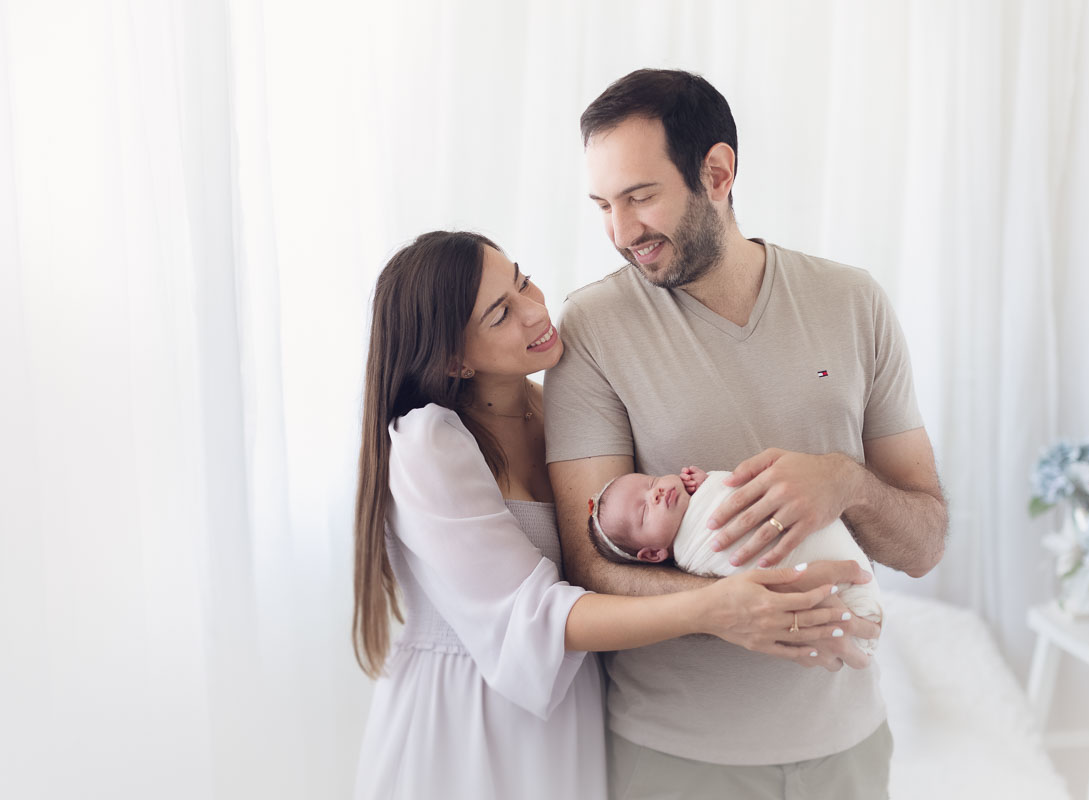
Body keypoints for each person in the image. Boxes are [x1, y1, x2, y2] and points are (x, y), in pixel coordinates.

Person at [351, 230, 873, 800]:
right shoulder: (431, 443)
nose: (534, 311)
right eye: (501, 314)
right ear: (453, 358)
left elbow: (645, 533)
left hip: (571, 715)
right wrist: (714, 609)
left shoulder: (560, 413)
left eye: (523, 280)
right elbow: (531, 617)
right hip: (466, 723)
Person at [545, 69, 948, 798]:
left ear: (718, 172)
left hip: (849, 749)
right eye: (604, 205)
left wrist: (847, 482)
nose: (621, 231)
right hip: (674, 759)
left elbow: (924, 544)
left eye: (640, 196)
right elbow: (588, 565)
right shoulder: (592, 331)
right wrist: (721, 610)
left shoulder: (852, 302)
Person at [586, 466, 881, 653]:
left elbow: (733, 488)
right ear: (653, 554)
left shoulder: (697, 490)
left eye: (650, 482)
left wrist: (708, 482)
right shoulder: (691, 556)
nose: (657, 493)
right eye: (644, 511)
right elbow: (729, 573)